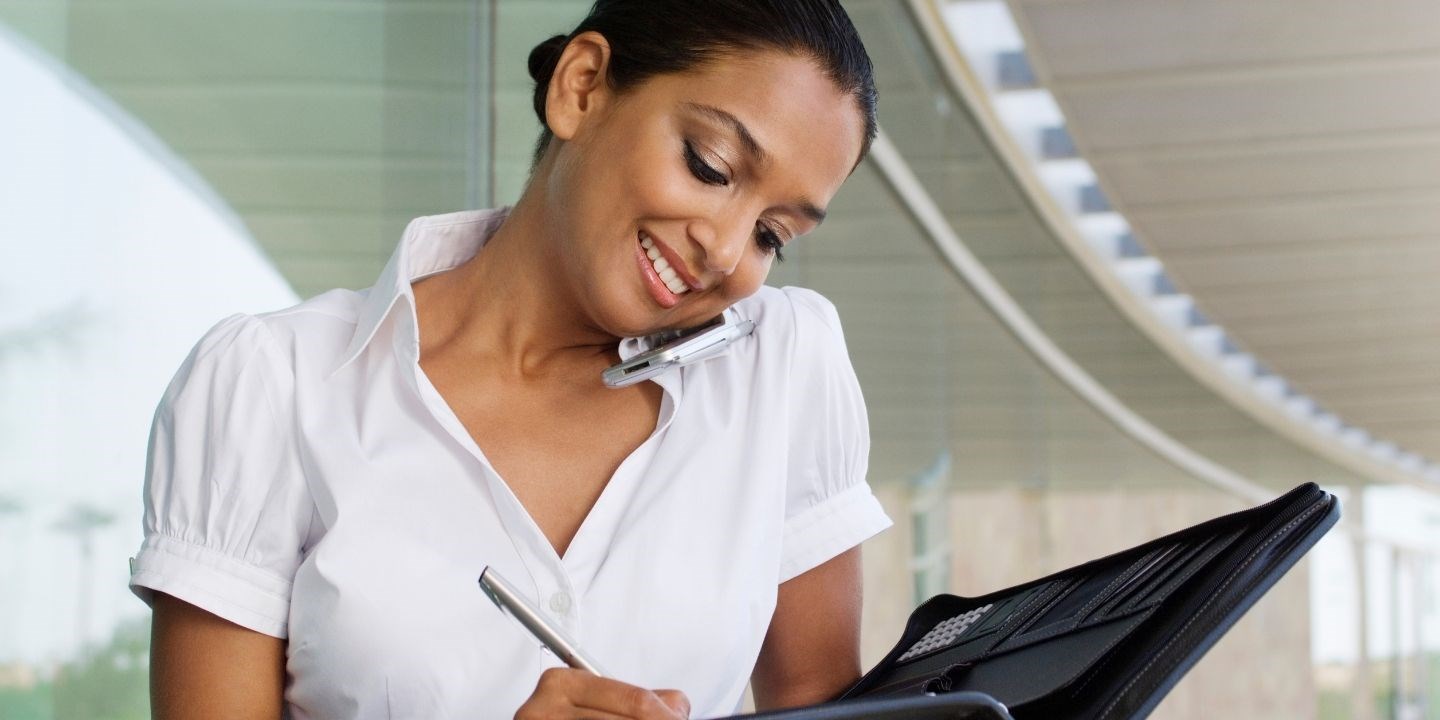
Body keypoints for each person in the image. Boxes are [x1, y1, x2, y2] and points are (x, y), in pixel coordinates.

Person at [129, 1, 891, 717]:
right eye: (709, 165)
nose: (724, 250)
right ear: (582, 88)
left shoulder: (783, 364)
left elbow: (820, 700)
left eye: (772, 235)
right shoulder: (271, 384)